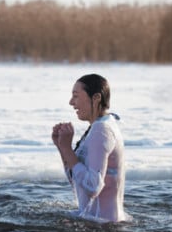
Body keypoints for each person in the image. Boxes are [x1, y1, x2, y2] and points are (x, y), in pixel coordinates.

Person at [52, 73, 126, 223]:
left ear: (96, 98)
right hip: (97, 222)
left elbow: (93, 187)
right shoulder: (98, 127)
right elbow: (77, 181)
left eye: (76, 96)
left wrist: (67, 149)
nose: (71, 102)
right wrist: (62, 147)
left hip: (102, 230)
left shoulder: (102, 130)